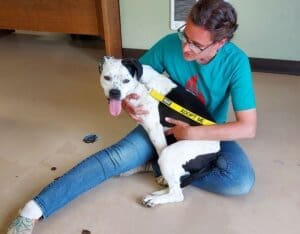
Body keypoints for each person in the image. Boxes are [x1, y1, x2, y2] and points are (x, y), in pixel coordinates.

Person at [7, 0, 256, 233]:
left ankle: (159, 164)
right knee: (115, 158)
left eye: (196, 45)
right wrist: (127, 104)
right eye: (185, 35)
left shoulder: (236, 62)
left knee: (239, 180)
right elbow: (129, 80)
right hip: (159, 122)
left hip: (204, 133)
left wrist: (191, 133)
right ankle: (34, 209)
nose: (185, 47)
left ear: (220, 44)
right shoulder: (169, 44)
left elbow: (247, 128)